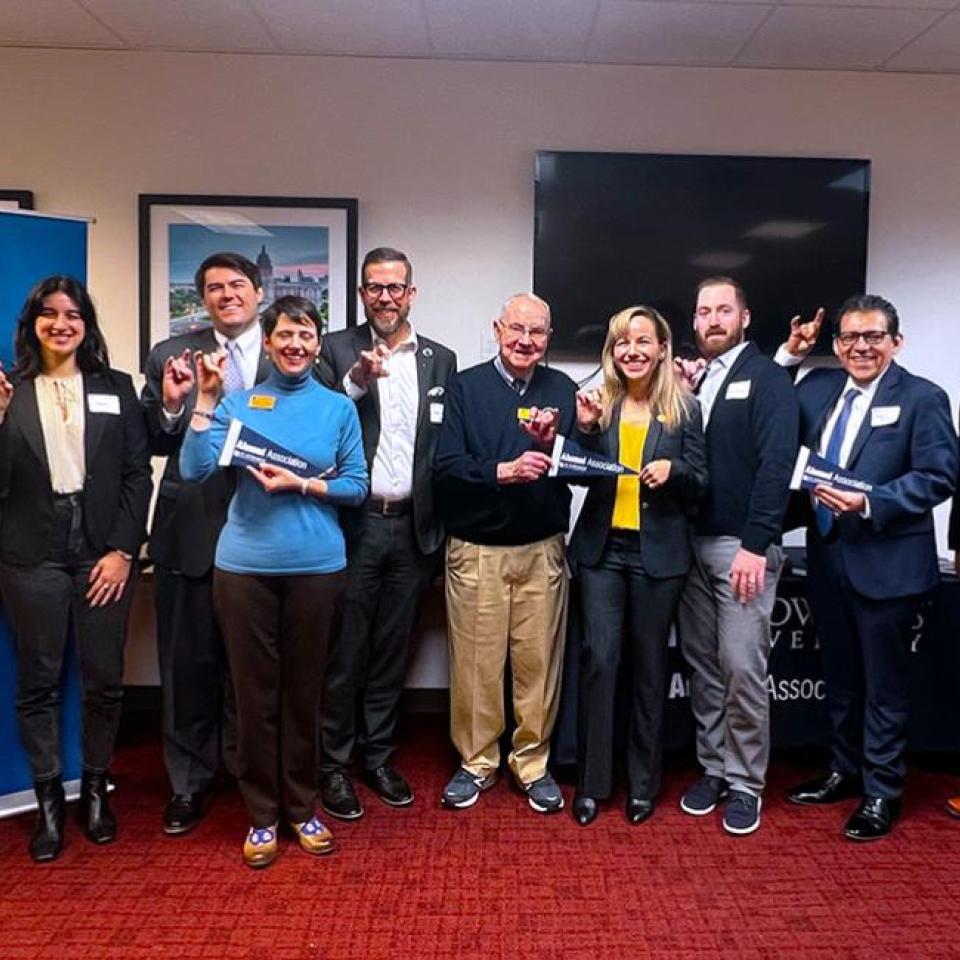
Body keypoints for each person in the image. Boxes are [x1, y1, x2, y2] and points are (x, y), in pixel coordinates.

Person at [179, 295, 367, 867]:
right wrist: (205, 400)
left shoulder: (338, 409)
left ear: (317, 343)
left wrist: (304, 485)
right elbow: (194, 469)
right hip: (244, 570)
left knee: (304, 695)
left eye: (306, 335)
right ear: (268, 342)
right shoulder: (238, 402)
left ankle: (303, 808)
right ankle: (261, 815)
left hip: (316, 569)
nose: (295, 345)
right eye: (284, 335)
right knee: (253, 697)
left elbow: (356, 485)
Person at [779, 294, 957, 840]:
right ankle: (842, 769)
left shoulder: (923, 398)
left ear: (895, 342)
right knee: (841, 678)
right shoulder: (817, 389)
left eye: (873, 337)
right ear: (836, 345)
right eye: (851, 338)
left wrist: (871, 502)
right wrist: (787, 356)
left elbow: (939, 475)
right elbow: (766, 404)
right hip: (827, 559)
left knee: (884, 685)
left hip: (890, 565)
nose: (861, 347)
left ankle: (882, 791)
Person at [0, 275, 151, 862]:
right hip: (30, 554)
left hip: (100, 549)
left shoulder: (116, 386)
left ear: (87, 323)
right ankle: (47, 806)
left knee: (104, 679)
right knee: (37, 682)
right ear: (32, 321)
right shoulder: (10, 387)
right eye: (49, 314)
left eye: (73, 314)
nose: (61, 324)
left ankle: (95, 791)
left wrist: (121, 551)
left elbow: (138, 475)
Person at [316, 247, 456, 820]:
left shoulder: (439, 359)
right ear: (361, 295)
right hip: (355, 526)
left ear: (412, 294)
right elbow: (317, 419)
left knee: (391, 650)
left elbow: (443, 445)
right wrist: (355, 380)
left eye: (396, 288)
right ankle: (332, 765)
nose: (386, 297)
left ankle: (376, 756)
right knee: (344, 651)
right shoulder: (335, 350)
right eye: (375, 288)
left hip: (414, 529)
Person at [142, 252, 272, 835]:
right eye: (214, 288)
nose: (227, 295)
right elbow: (155, 436)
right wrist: (175, 403)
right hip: (190, 527)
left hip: (262, 528)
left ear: (259, 292)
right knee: (189, 664)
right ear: (203, 300)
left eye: (237, 285)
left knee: (250, 668)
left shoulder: (289, 350)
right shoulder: (172, 355)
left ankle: (247, 775)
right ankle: (188, 783)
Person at [434, 293, 576, 814]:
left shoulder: (562, 389)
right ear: (497, 329)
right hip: (477, 552)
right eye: (516, 329)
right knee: (477, 665)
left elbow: (583, 465)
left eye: (536, 333)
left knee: (539, 665)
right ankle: (477, 763)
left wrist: (553, 445)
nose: (525, 341)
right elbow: (446, 464)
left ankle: (532, 762)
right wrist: (503, 471)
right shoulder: (465, 387)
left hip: (542, 551)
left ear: (548, 338)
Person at [568, 306, 707, 826]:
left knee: (650, 669)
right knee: (600, 662)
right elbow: (576, 474)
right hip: (602, 553)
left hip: (660, 555)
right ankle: (592, 784)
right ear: (611, 350)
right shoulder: (596, 404)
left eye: (643, 341)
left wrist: (675, 471)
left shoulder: (686, 409)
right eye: (623, 342)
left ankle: (643, 786)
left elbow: (702, 482)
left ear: (662, 349)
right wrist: (582, 433)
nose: (633, 351)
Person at [676, 276, 798, 835]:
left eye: (725, 310)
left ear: (745, 319)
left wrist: (756, 543)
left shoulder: (768, 378)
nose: (714, 320)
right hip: (689, 545)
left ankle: (747, 781)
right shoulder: (695, 382)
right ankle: (714, 767)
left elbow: (777, 466)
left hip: (741, 549)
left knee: (743, 668)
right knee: (702, 666)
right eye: (705, 312)